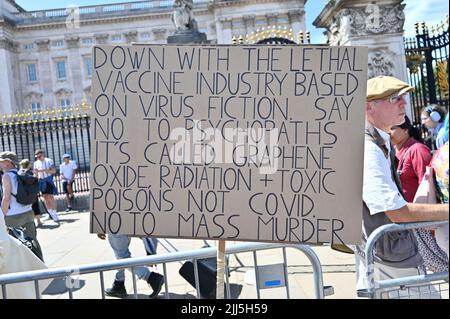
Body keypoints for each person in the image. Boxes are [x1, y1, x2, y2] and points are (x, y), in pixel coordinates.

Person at [357, 76, 449, 295]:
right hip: (389, 260)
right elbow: (397, 212)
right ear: (369, 107)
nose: (403, 103)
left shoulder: (379, 141)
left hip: (389, 254)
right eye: (393, 98)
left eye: (402, 97)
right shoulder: (369, 149)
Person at [390, 117, 447, 273]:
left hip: (423, 223)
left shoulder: (417, 150)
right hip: (411, 222)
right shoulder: (394, 150)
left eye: (393, 128)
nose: (389, 132)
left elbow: (428, 184)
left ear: (405, 130)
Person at [0, 151, 43, 261]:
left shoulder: (6, 176)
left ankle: (23, 271)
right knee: (32, 241)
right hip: (28, 212)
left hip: (13, 216)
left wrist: (2, 214)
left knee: (15, 245)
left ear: (8, 162)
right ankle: (40, 264)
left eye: (1, 161)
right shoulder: (21, 174)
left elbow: (6, 198)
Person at [98, 233, 164, 299]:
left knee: (122, 258)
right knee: (120, 255)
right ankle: (118, 283)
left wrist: (99, 228)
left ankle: (150, 277)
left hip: (115, 228)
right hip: (124, 227)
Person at [33, 149, 59, 222]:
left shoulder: (49, 161)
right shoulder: (36, 163)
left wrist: (44, 170)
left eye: (39, 156)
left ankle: (55, 213)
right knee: (45, 197)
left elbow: (53, 171)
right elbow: (35, 173)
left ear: (43, 154)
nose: (38, 158)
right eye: (37, 157)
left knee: (50, 196)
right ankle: (50, 213)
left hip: (48, 180)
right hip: (41, 181)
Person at [19, 159, 44, 227]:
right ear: (28, 164)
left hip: (24, 193)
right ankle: (38, 221)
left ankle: (31, 222)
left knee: (28, 208)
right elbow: (35, 180)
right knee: (35, 207)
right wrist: (36, 174)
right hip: (32, 192)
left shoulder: (19, 172)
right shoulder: (29, 172)